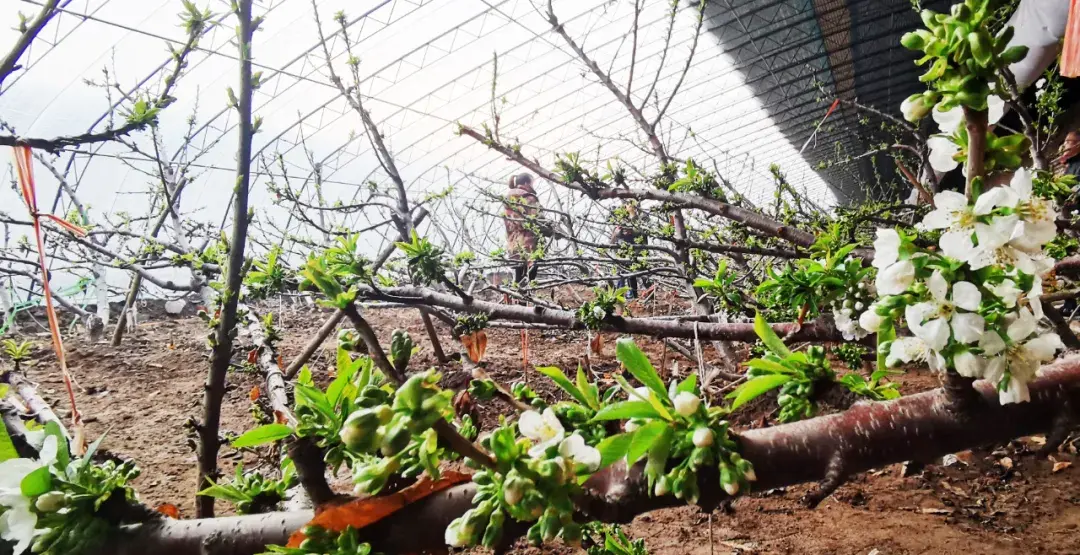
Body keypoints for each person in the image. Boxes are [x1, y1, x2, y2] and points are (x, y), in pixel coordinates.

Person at [503, 173, 541, 286]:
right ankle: (528, 300)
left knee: (519, 275)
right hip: (529, 242)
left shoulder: (507, 200)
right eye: (532, 183)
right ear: (526, 183)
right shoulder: (528, 197)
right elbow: (538, 219)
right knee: (530, 276)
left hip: (514, 242)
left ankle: (519, 301)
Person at [611, 201, 647, 298]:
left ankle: (640, 294)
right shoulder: (621, 217)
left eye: (631, 203)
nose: (629, 206)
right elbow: (615, 235)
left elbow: (641, 231)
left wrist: (633, 217)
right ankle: (620, 296)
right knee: (621, 273)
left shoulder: (642, 216)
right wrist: (620, 232)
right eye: (627, 203)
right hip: (623, 250)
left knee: (640, 274)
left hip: (638, 250)